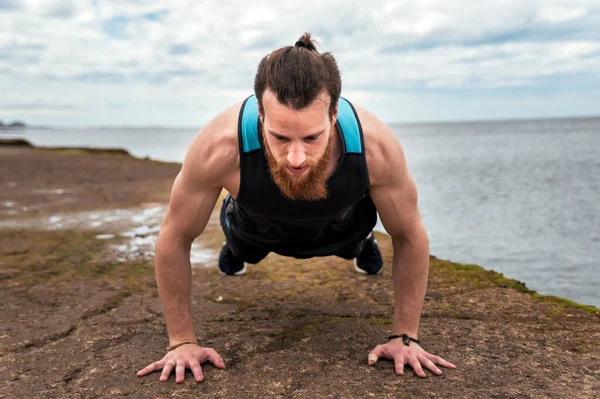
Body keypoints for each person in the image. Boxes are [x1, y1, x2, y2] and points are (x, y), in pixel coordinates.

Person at [137, 33, 456, 384]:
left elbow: (409, 235)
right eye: (280, 137)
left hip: (343, 226)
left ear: (334, 113)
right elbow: (176, 237)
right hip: (255, 226)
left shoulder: (375, 147)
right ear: (260, 113)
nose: (296, 158)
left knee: (357, 233)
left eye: (311, 137)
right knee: (243, 245)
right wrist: (181, 341)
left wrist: (405, 337)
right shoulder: (219, 147)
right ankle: (236, 250)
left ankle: (362, 246)